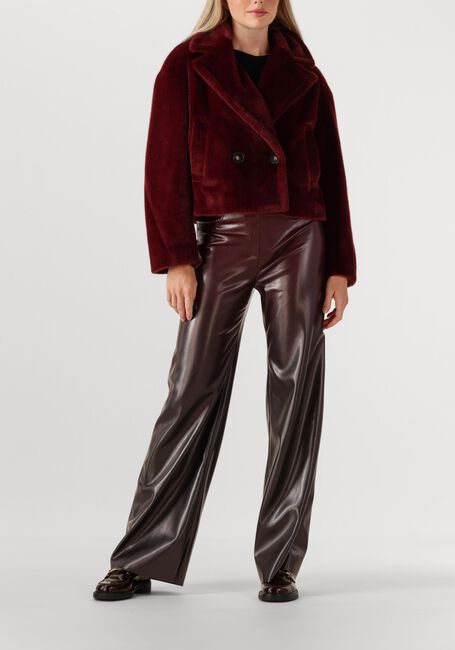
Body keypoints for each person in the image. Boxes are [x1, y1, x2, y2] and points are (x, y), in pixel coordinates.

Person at [93, 0, 357, 604]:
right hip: (219, 239)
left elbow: (333, 173)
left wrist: (339, 266)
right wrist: (176, 256)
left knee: (296, 392)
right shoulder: (186, 64)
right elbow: (162, 165)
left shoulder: (306, 72)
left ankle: (281, 563)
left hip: (300, 238)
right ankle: (138, 556)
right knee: (191, 388)